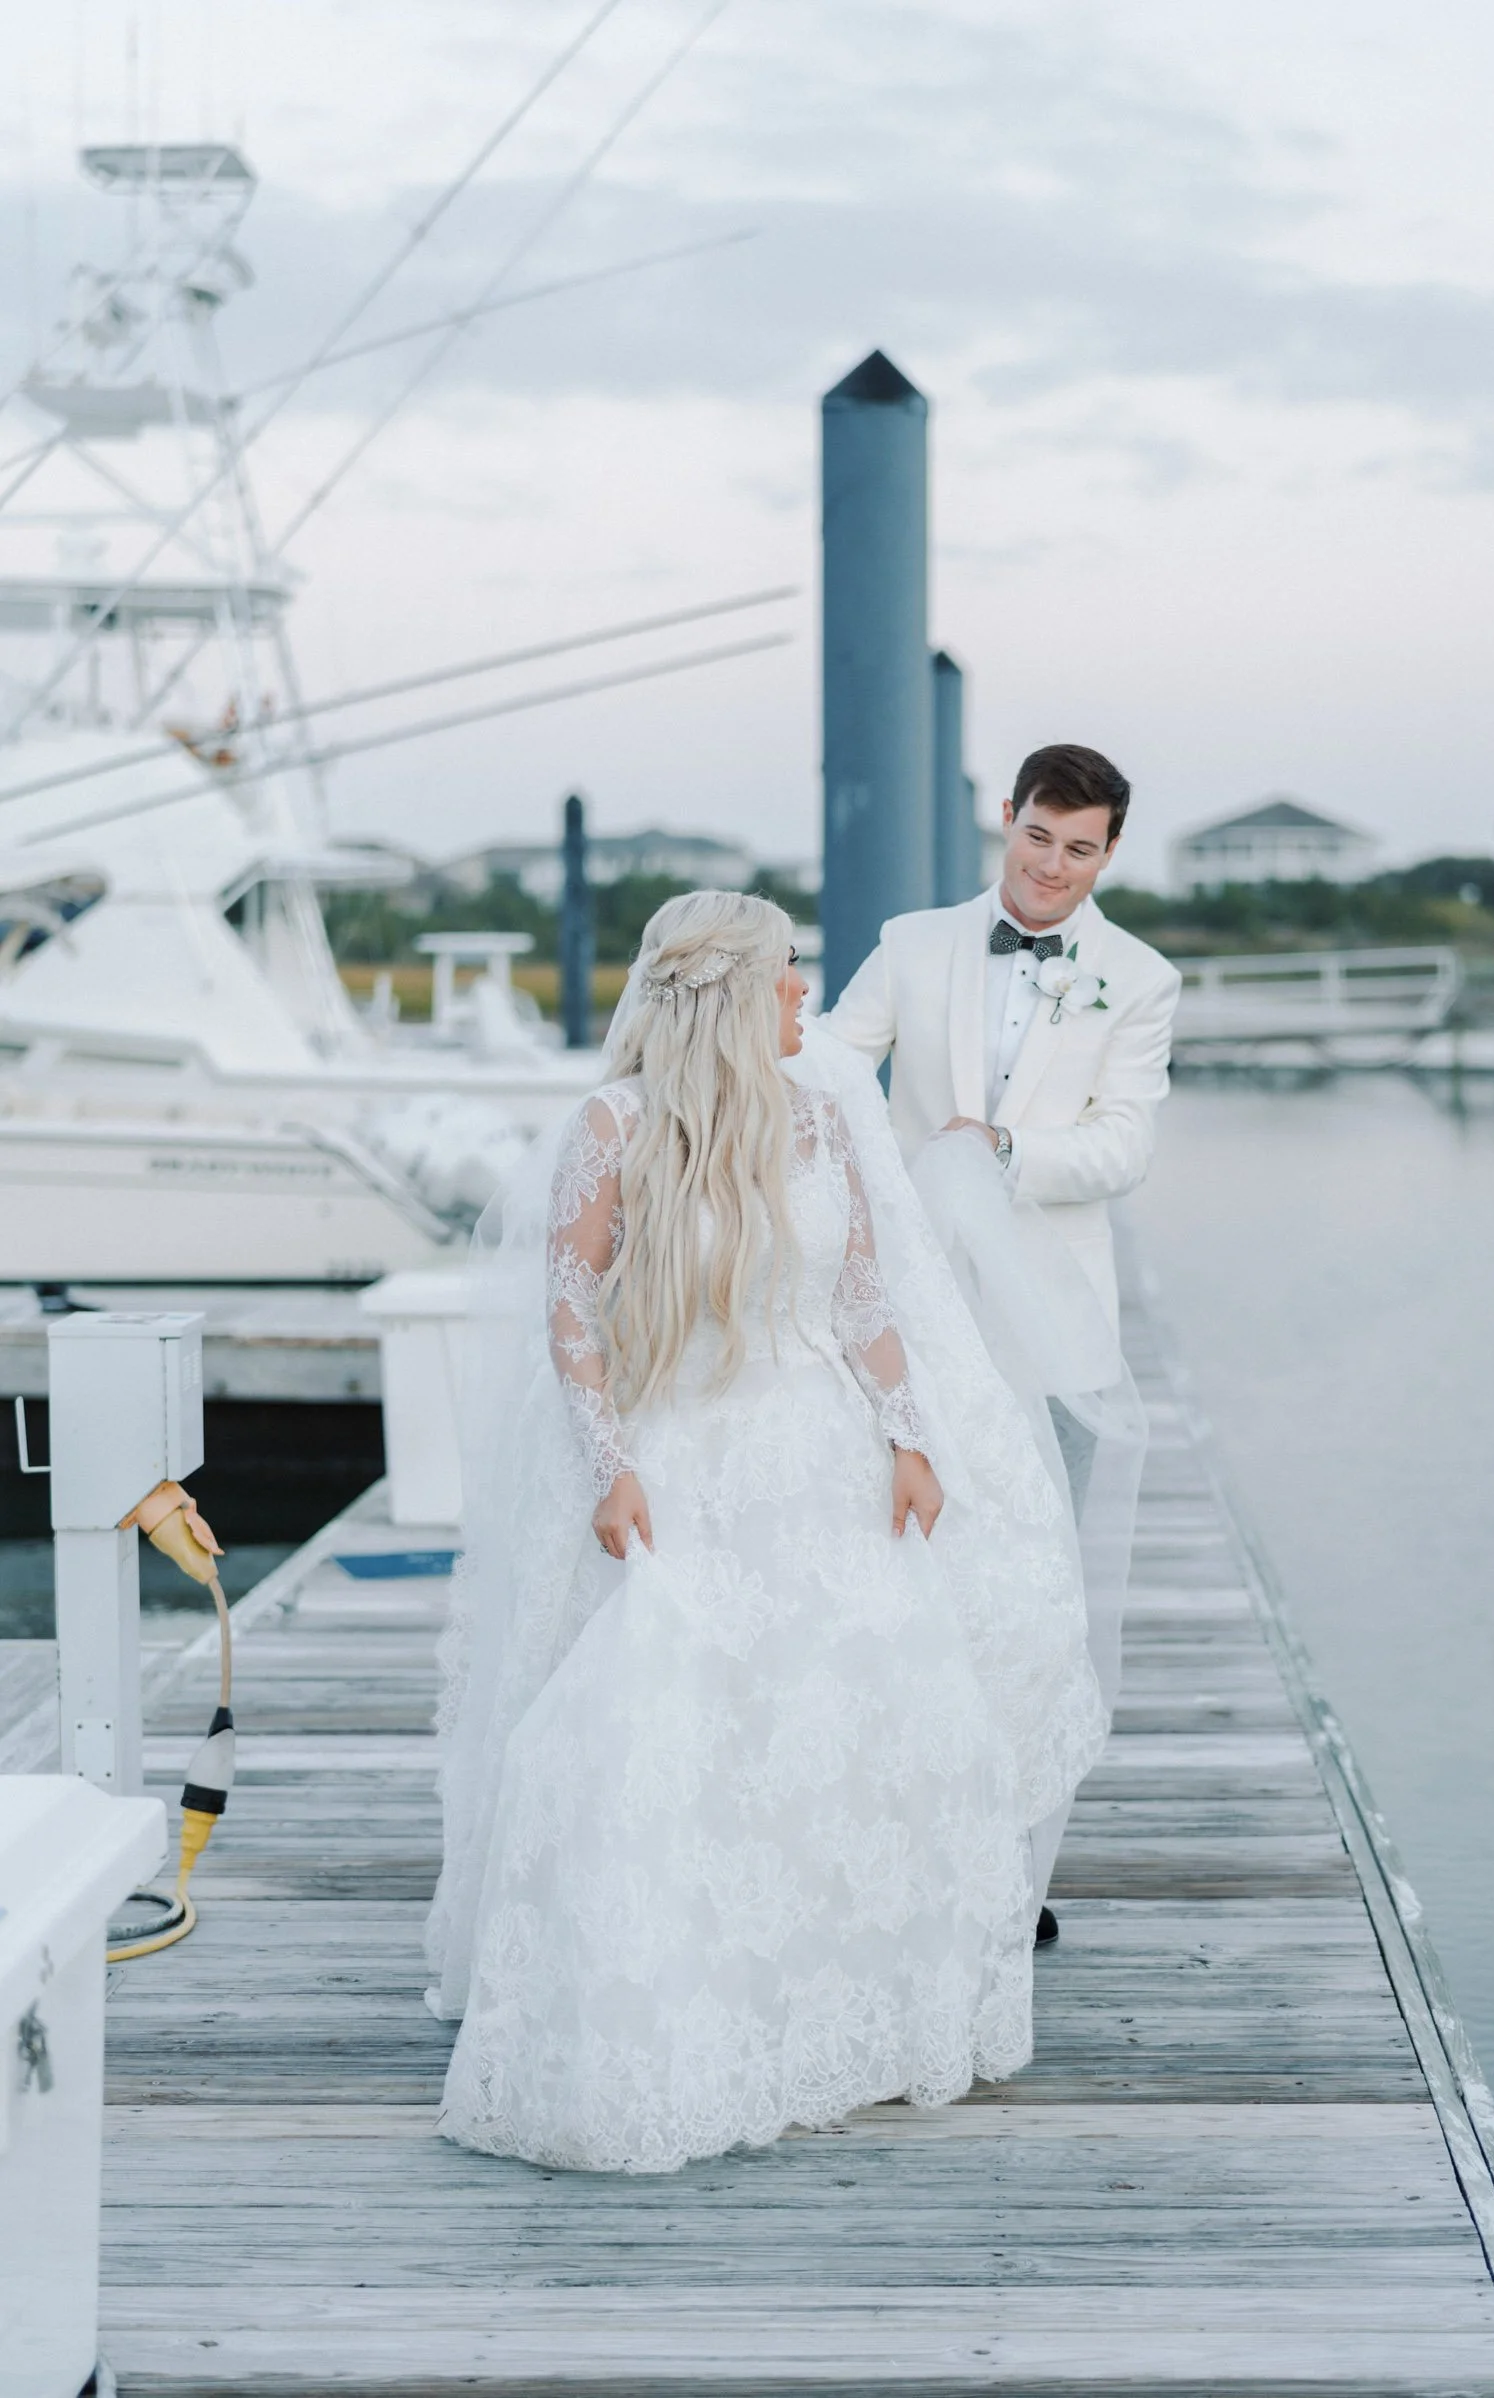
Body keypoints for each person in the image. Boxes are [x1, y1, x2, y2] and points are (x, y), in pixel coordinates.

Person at [429, 890, 1105, 2175]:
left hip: (824, 1454)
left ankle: (845, 2007)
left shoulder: (817, 1116)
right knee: (684, 1718)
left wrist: (909, 1435)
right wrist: (610, 1470)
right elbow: (572, 1314)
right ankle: (685, 2004)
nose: (806, 994)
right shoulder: (615, 1125)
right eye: (789, 974)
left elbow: (862, 1295)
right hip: (682, 1454)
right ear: (730, 991)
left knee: (852, 1716)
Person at [825, 742, 1182, 1933]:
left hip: (1053, 1324)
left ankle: (1013, 1869)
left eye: (1081, 850)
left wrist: (1006, 1154)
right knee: (910, 1575)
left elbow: (1125, 1145)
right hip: (916, 1312)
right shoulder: (914, 941)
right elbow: (829, 1067)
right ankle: (905, 1848)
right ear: (1008, 819)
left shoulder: (1139, 978)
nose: (1052, 869)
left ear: (1110, 852)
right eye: (1039, 837)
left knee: (1041, 1594)